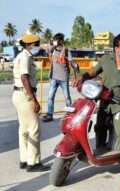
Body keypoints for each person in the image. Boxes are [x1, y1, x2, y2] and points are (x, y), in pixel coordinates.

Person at [72, 33, 120, 190]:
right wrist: (81, 78)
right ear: (116, 49)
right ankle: (103, 150)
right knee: (98, 126)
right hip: (106, 101)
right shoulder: (106, 61)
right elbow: (92, 73)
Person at [12, 33, 51, 172]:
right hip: (25, 96)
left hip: (18, 94)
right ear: (28, 45)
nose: (37, 46)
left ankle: (24, 159)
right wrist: (34, 100)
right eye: (36, 44)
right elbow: (24, 78)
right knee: (34, 128)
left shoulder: (22, 56)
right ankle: (33, 163)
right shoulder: (25, 57)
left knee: (23, 129)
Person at [42, 33, 76, 122]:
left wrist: (74, 77)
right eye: (54, 39)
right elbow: (47, 49)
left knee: (67, 97)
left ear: (61, 41)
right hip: (53, 77)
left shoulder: (66, 51)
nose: (54, 41)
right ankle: (49, 115)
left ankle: (70, 116)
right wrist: (53, 46)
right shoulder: (52, 49)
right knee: (50, 97)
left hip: (64, 78)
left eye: (56, 39)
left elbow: (72, 64)